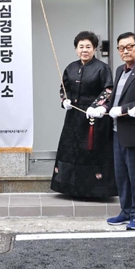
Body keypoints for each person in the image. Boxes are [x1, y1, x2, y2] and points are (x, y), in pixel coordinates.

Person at [89, 32, 135, 230]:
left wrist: (124, 109)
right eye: (121, 48)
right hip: (116, 131)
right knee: (121, 175)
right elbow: (114, 99)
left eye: (129, 47)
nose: (125, 51)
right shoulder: (120, 70)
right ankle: (125, 211)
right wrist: (103, 107)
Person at [50, 31, 117, 198]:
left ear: (94, 49)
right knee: (70, 149)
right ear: (76, 49)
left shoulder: (102, 68)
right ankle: (69, 188)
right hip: (73, 117)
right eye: (81, 47)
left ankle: (94, 191)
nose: (84, 50)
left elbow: (108, 90)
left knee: (91, 151)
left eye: (88, 47)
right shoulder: (71, 68)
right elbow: (63, 88)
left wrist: (96, 106)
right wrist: (64, 100)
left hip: (94, 117)